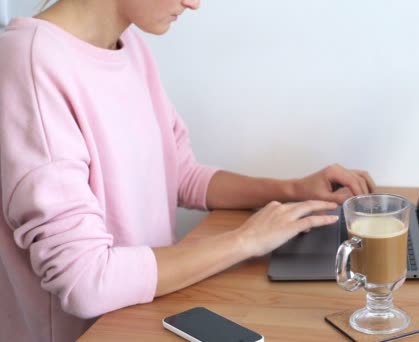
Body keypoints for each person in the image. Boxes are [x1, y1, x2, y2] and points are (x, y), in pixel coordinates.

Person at [0, 0, 377, 341]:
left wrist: (295, 189)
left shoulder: (129, 46)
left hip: (148, 312)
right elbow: (84, 281)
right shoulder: (30, 65)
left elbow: (179, 173)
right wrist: (245, 240)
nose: (194, 4)